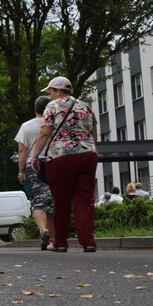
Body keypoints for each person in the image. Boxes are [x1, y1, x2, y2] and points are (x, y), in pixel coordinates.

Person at [29, 76, 99, 253]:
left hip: (61, 157)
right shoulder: (86, 106)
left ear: (58, 91)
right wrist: (89, 148)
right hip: (87, 155)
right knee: (85, 199)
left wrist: (35, 157)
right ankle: (88, 241)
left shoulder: (52, 106)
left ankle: (60, 242)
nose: (50, 95)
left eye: (51, 91)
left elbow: (45, 133)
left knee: (61, 200)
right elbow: (94, 132)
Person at [15, 96, 54, 250]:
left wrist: (21, 169)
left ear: (35, 109)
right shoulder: (54, 124)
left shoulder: (26, 126)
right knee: (52, 201)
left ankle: (43, 230)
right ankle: (52, 238)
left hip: (34, 164)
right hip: (53, 163)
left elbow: (22, 150)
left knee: (38, 200)